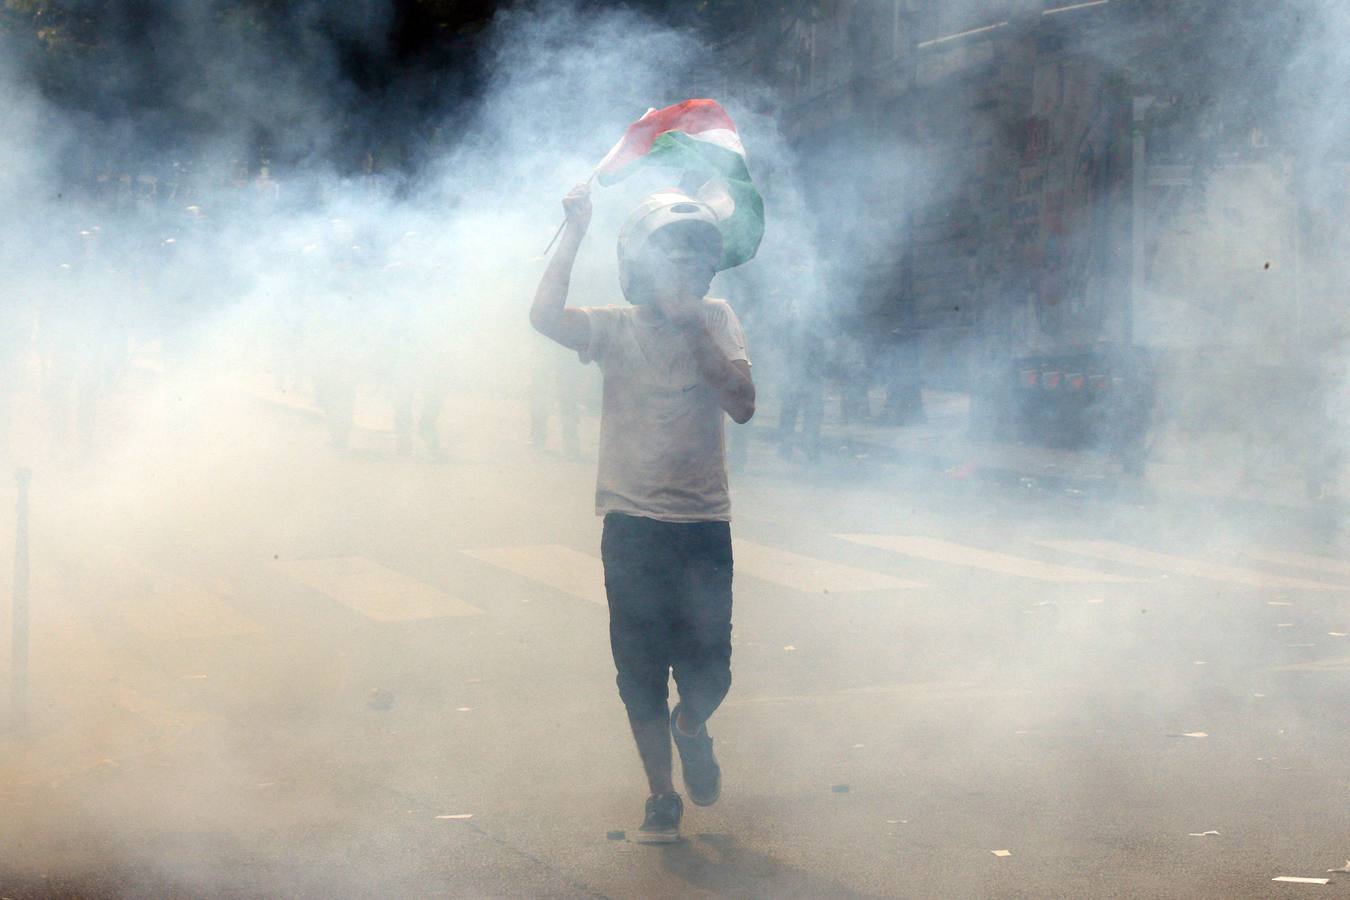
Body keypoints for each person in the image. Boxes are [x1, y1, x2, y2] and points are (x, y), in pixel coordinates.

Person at [530, 183, 755, 844]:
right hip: (631, 524)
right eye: (669, 257)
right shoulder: (614, 327)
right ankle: (661, 794)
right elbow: (544, 316)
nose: (683, 270)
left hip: (702, 524)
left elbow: (742, 402)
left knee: (712, 670)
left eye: (693, 258)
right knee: (639, 673)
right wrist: (574, 231)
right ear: (639, 269)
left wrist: (693, 330)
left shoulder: (717, 319)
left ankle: (694, 726)